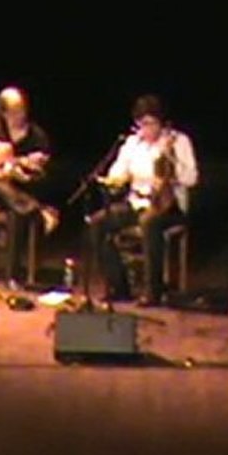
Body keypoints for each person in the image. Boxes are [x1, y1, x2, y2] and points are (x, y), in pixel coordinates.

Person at [88, 93, 199, 306]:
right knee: (98, 222)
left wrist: (172, 169)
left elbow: (192, 178)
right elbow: (117, 171)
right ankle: (119, 287)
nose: (147, 129)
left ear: (161, 122)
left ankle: (153, 291)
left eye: (152, 123)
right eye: (142, 124)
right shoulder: (132, 143)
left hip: (169, 207)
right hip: (136, 203)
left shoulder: (178, 141)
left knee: (149, 222)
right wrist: (115, 179)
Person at [0, 86, 59, 288]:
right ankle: (34, 210)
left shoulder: (36, 136)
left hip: (23, 191)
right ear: (3, 112)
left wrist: (17, 171)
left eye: (22, 109)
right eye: (14, 111)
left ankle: (13, 275)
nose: (20, 115)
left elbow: (42, 176)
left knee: (17, 213)